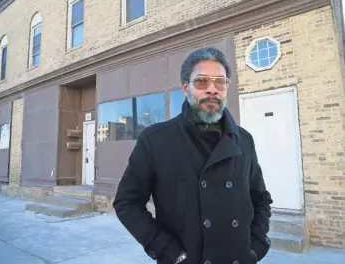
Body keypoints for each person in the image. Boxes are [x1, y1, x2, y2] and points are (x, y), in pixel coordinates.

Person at [113, 47, 273, 264]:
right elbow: (127, 202)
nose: (212, 89)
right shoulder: (156, 140)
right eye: (202, 82)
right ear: (186, 88)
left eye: (220, 82)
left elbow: (260, 198)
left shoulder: (244, 140)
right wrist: (168, 251)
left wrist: (257, 244)